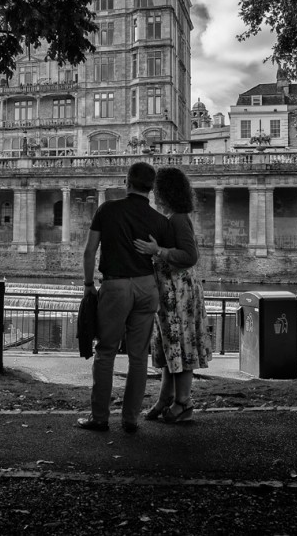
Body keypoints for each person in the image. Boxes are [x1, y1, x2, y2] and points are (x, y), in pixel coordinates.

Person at [79, 162, 175, 434]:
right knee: (137, 357)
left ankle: (100, 418)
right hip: (147, 288)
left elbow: (89, 252)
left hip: (116, 287)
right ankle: (130, 420)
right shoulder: (160, 221)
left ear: (127, 182)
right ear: (151, 188)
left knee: (106, 351)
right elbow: (170, 257)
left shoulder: (107, 210)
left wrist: (88, 285)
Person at [133, 166, 213, 424]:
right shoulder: (174, 217)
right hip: (170, 294)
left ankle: (183, 403)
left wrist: (158, 251)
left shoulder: (178, 218)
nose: (154, 194)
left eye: (157, 190)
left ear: (167, 192)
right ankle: (164, 399)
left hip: (180, 295)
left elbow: (190, 256)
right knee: (171, 349)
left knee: (182, 347)